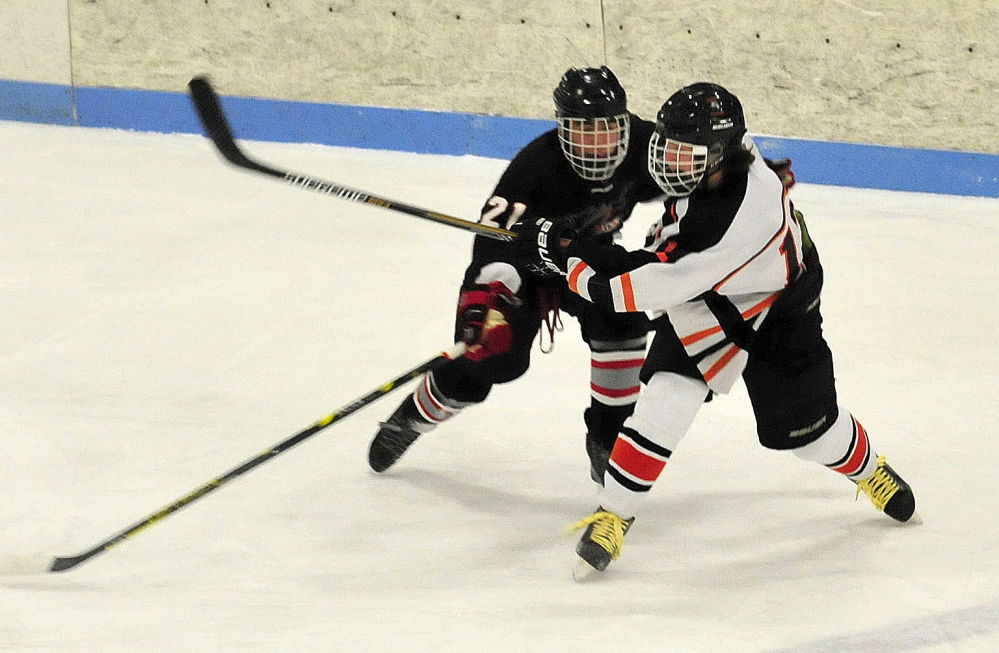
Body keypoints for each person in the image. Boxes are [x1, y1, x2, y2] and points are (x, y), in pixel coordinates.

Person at [513, 82, 919, 578]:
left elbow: (639, 288)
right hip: (714, 293)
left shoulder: (731, 222)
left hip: (778, 301)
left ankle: (869, 468)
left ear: (722, 154)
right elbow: (664, 259)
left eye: (688, 153)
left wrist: (563, 254)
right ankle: (612, 515)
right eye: (669, 145)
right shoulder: (724, 162)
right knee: (666, 397)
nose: (670, 162)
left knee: (811, 435)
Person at [366, 67, 665, 480]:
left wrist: (743, 175)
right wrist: (485, 300)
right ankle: (413, 417)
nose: (596, 144)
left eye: (606, 130)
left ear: (625, 123)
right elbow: (491, 246)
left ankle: (608, 438)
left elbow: (698, 168)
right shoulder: (534, 168)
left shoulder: (646, 148)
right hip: (522, 268)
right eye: (582, 131)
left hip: (584, 260)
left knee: (624, 319)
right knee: (492, 361)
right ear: (562, 129)